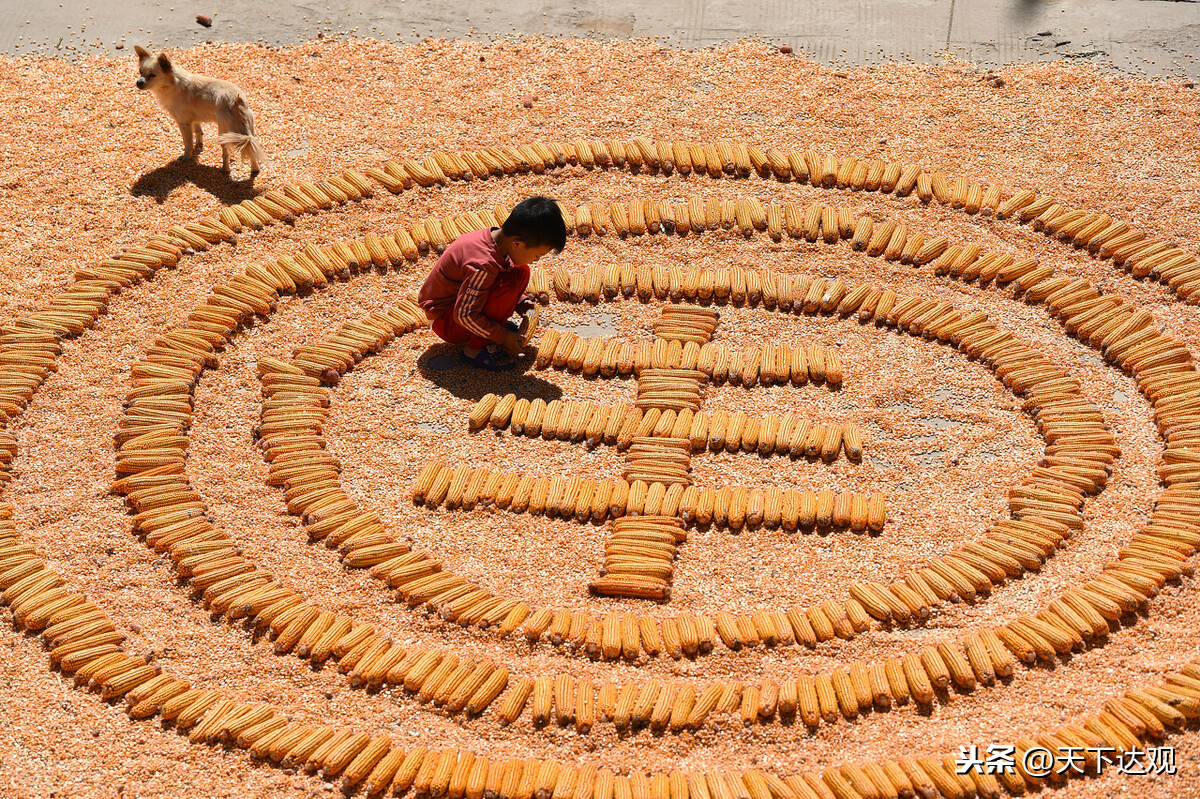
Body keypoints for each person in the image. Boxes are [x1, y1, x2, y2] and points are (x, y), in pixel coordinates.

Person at [418, 196, 567, 370]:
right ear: (517, 244)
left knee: (520, 270)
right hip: (447, 320)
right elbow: (464, 315)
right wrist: (503, 336)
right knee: (506, 287)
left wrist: (521, 303)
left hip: (460, 305)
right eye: (537, 256)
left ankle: (488, 329)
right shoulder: (483, 265)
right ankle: (474, 349)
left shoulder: (496, 239)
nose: (536, 260)